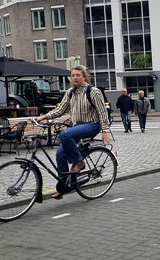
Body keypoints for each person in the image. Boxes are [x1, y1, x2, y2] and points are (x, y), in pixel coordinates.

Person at [35, 66, 110, 200]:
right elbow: (60, 110)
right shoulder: (70, 92)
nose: (75, 78)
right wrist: (44, 117)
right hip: (77, 127)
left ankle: (79, 162)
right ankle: (63, 187)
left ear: (84, 77)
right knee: (60, 154)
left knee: (65, 134)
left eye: (78, 75)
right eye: (73, 75)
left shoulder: (93, 92)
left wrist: (105, 130)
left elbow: (102, 112)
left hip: (92, 125)